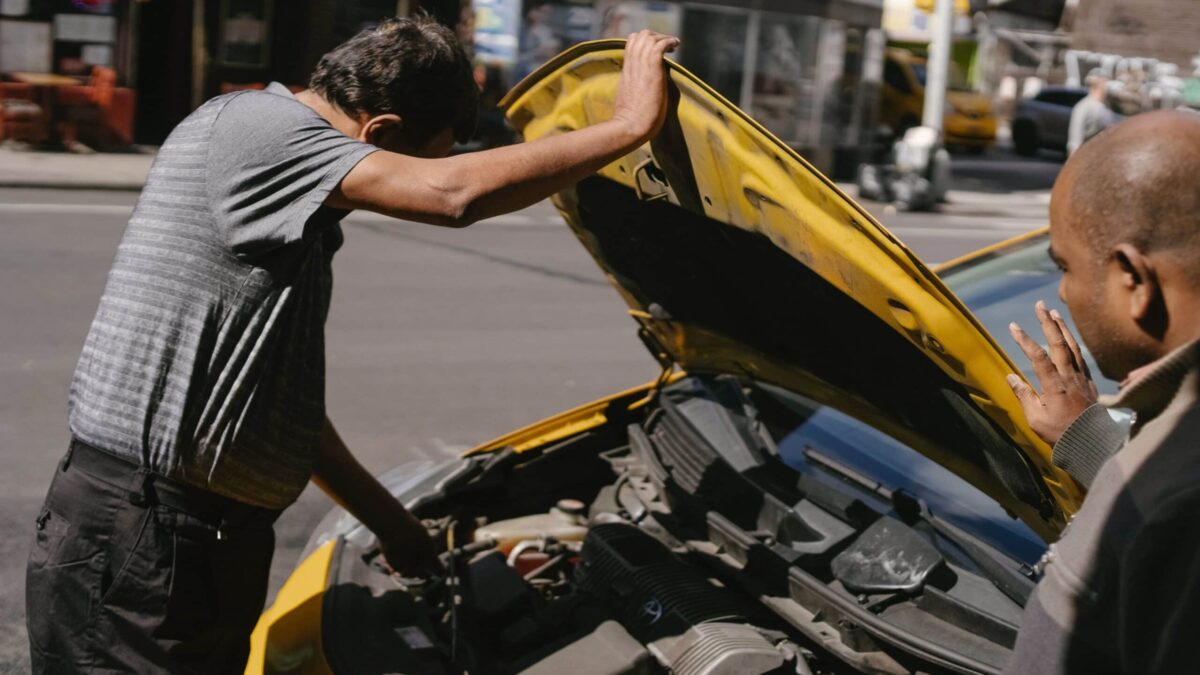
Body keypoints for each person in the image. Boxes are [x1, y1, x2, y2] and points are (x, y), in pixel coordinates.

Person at [25, 16, 679, 674]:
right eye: (424, 155)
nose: (423, 171)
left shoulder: (290, 207)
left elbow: (280, 412)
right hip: (144, 537)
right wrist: (627, 128)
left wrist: (393, 525)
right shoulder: (263, 131)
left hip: (185, 539)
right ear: (381, 134)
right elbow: (454, 195)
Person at [1002, 109, 1200, 673]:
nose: (1061, 292)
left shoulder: (1185, 513)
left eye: (1063, 266)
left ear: (1132, 280)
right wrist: (1090, 437)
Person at [1066, 71, 1117, 155]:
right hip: (1086, 155)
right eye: (1105, 82)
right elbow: (1075, 139)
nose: (1108, 85)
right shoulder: (1083, 106)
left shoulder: (1106, 106)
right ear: (1098, 84)